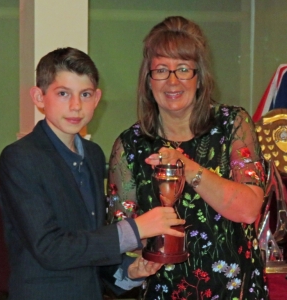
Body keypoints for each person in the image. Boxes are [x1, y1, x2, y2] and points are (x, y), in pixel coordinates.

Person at [0, 47, 185, 300]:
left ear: (96, 99)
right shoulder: (21, 157)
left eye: (85, 94)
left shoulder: (93, 155)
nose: (76, 106)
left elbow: (89, 239)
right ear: (39, 97)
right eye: (63, 93)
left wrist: (128, 271)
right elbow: (50, 248)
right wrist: (136, 229)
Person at [107, 16, 269, 299]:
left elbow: (248, 209)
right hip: (163, 291)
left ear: (200, 76)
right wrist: (135, 265)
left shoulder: (233, 125)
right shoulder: (129, 146)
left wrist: (188, 167)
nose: (172, 81)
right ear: (148, 80)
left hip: (235, 290)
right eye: (161, 70)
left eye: (183, 69)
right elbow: (121, 237)